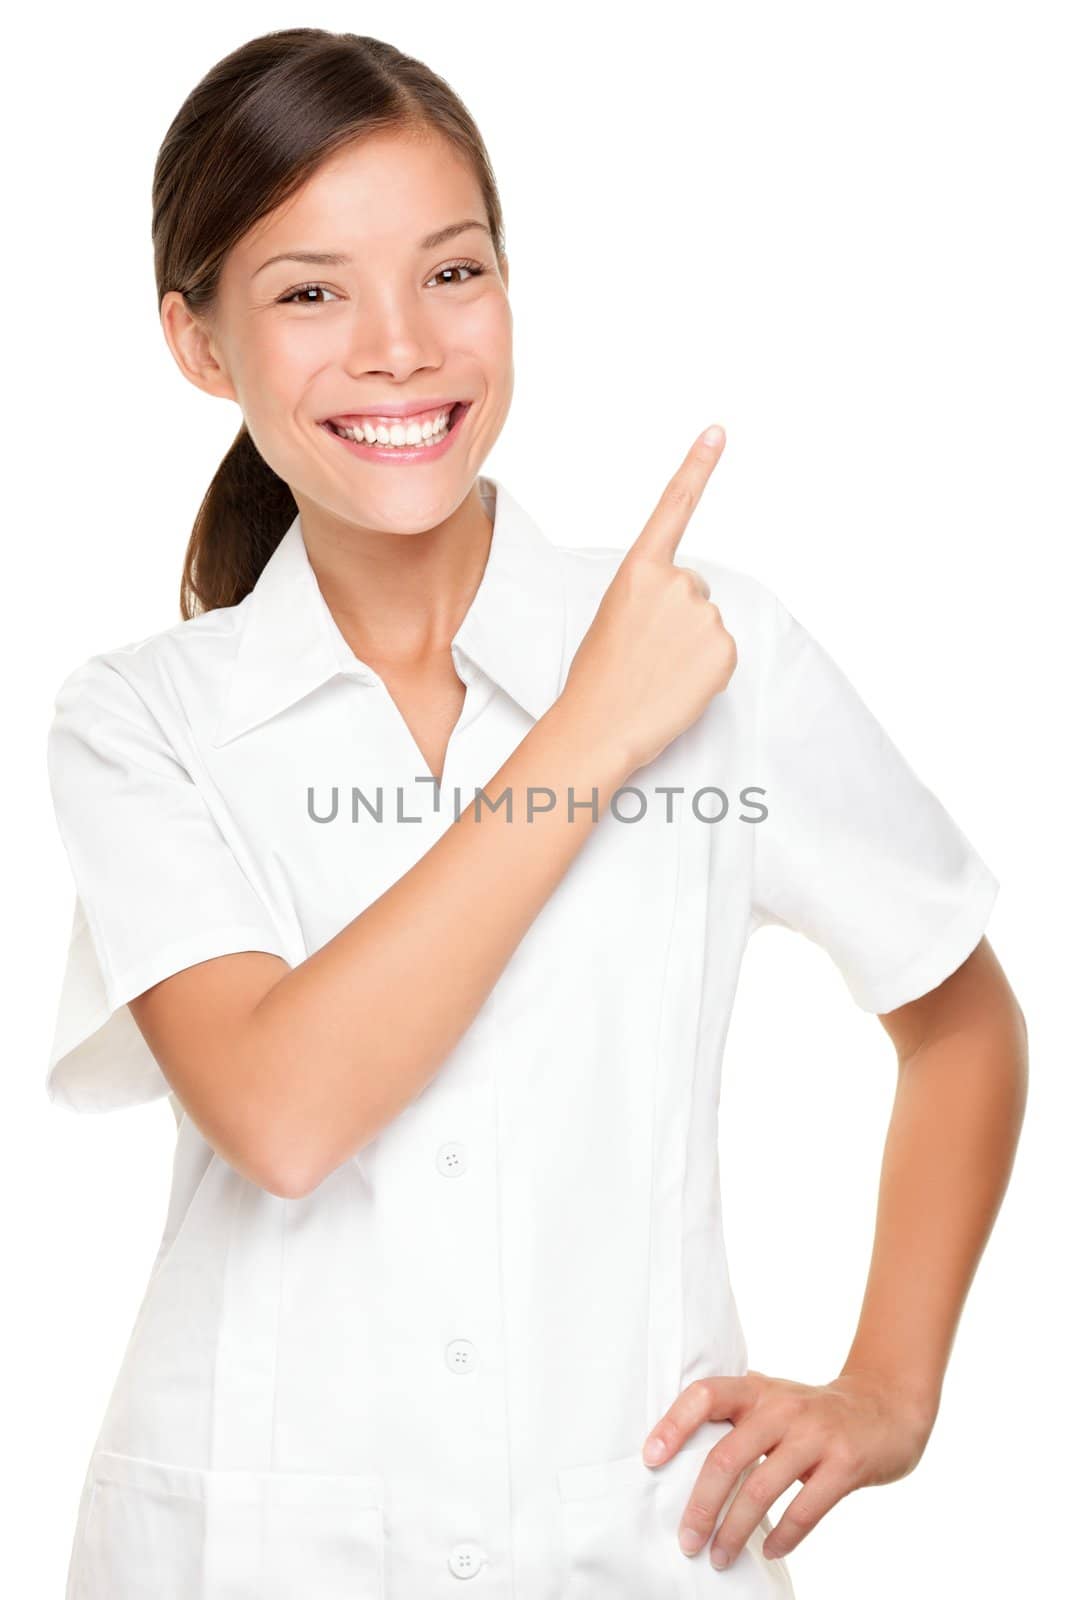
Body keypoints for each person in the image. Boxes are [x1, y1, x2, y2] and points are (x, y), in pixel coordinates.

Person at [44, 27, 1027, 1600]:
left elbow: (957, 1010)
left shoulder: (718, 649)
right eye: (309, 292)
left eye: (452, 273)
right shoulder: (143, 719)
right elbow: (282, 1113)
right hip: (250, 1559)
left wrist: (891, 1388)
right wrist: (587, 733)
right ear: (199, 344)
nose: (399, 347)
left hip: (635, 1546)